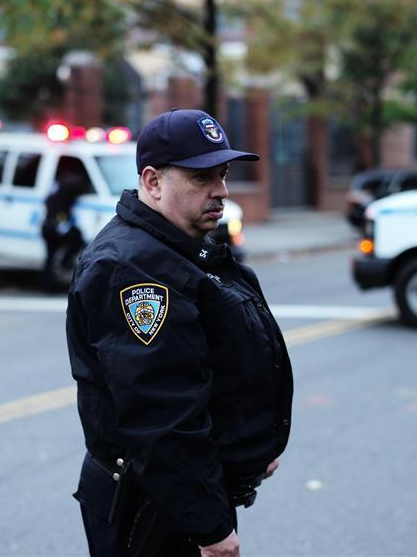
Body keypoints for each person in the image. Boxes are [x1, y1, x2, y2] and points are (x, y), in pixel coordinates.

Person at [66, 109, 294, 556]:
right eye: (201, 177)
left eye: (223, 174)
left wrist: (247, 444)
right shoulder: (132, 270)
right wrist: (209, 530)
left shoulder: (182, 246)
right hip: (154, 509)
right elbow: (160, 416)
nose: (221, 190)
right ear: (152, 182)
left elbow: (215, 361)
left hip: (181, 496)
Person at [41, 170, 86, 289]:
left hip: (50, 225)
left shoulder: (57, 190)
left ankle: (49, 282)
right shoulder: (64, 193)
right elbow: (59, 212)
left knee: (50, 256)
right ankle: (62, 266)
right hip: (52, 227)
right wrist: (61, 224)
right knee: (76, 238)